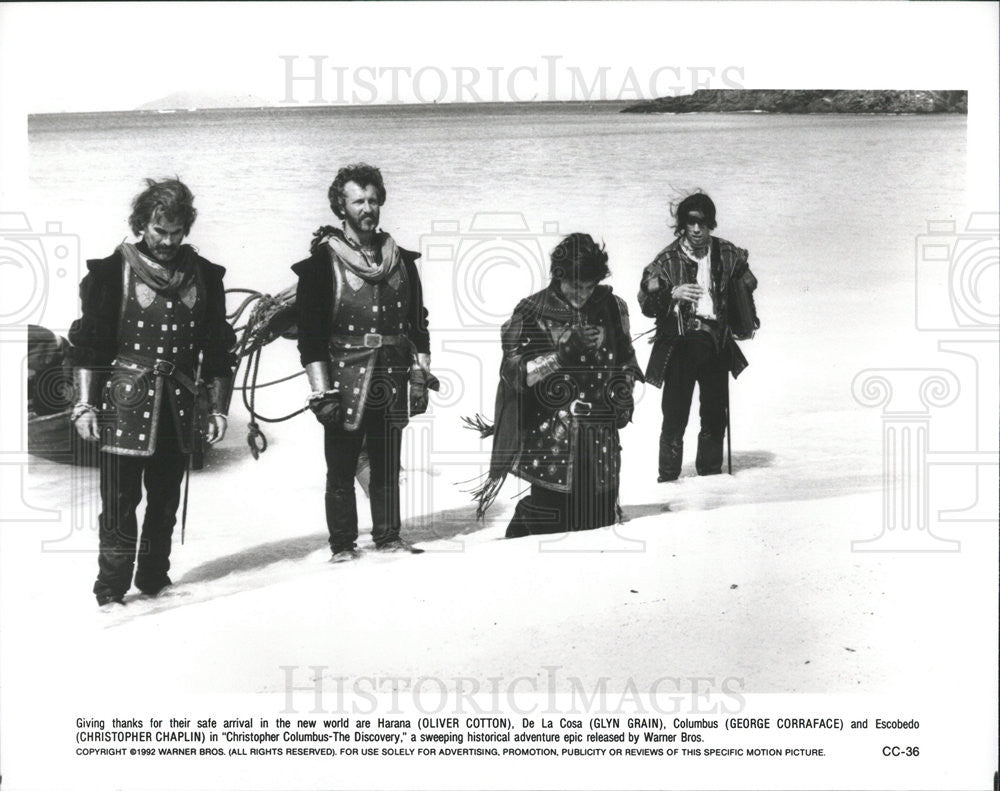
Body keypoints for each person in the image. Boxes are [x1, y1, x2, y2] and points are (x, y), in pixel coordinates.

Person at [69, 178, 236, 608]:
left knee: (165, 500)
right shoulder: (110, 273)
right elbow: (92, 344)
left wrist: (218, 408)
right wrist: (85, 404)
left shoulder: (205, 276)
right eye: (159, 231)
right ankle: (110, 592)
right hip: (124, 402)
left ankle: (155, 581)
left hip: (179, 405)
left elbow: (217, 348)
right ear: (141, 224)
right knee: (120, 504)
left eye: (175, 232)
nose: (167, 241)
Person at [292, 163, 433, 561]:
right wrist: (322, 392)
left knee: (388, 463)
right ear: (342, 206)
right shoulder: (321, 264)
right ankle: (342, 546)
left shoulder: (402, 260)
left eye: (373, 200)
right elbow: (311, 337)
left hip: (392, 372)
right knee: (340, 467)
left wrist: (421, 376)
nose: (367, 208)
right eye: (358, 201)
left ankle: (389, 538)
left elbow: (418, 324)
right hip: (344, 376)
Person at [475, 233, 641, 537]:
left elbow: (627, 360)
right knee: (551, 525)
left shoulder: (613, 307)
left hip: (601, 436)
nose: (583, 295)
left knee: (598, 523)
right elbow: (514, 375)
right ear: (558, 276)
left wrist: (623, 396)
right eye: (576, 286)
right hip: (552, 438)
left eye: (590, 287)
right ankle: (522, 525)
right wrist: (563, 354)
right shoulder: (532, 311)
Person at [637, 192, 758, 481]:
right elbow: (645, 304)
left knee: (716, 416)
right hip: (681, 346)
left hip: (717, 343)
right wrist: (671, 293)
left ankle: (712, 479)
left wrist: (743, 289)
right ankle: (667, 481)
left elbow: (748, 284)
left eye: (702, 223)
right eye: (690, 223)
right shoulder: (664, 260)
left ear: (711, 224)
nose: (696, 229)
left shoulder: (728, 253)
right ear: (682, 225)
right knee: (675, 417)